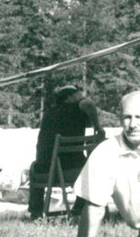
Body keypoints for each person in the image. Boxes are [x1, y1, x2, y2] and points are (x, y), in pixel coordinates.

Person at [74, 89, 140, 237]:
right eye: (127, 117)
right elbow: (94, 207)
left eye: (139, 117)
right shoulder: (105, 153)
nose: (132, 125)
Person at [27, 82, 104, 218]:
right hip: (73, 171)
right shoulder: (78, 109)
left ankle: (36, 212)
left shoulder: (49, 114)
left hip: (44, 172)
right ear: (73, 98)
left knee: (33, 168)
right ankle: (79, 208)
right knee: (93, 168)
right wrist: (98, 126)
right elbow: (88, 103)